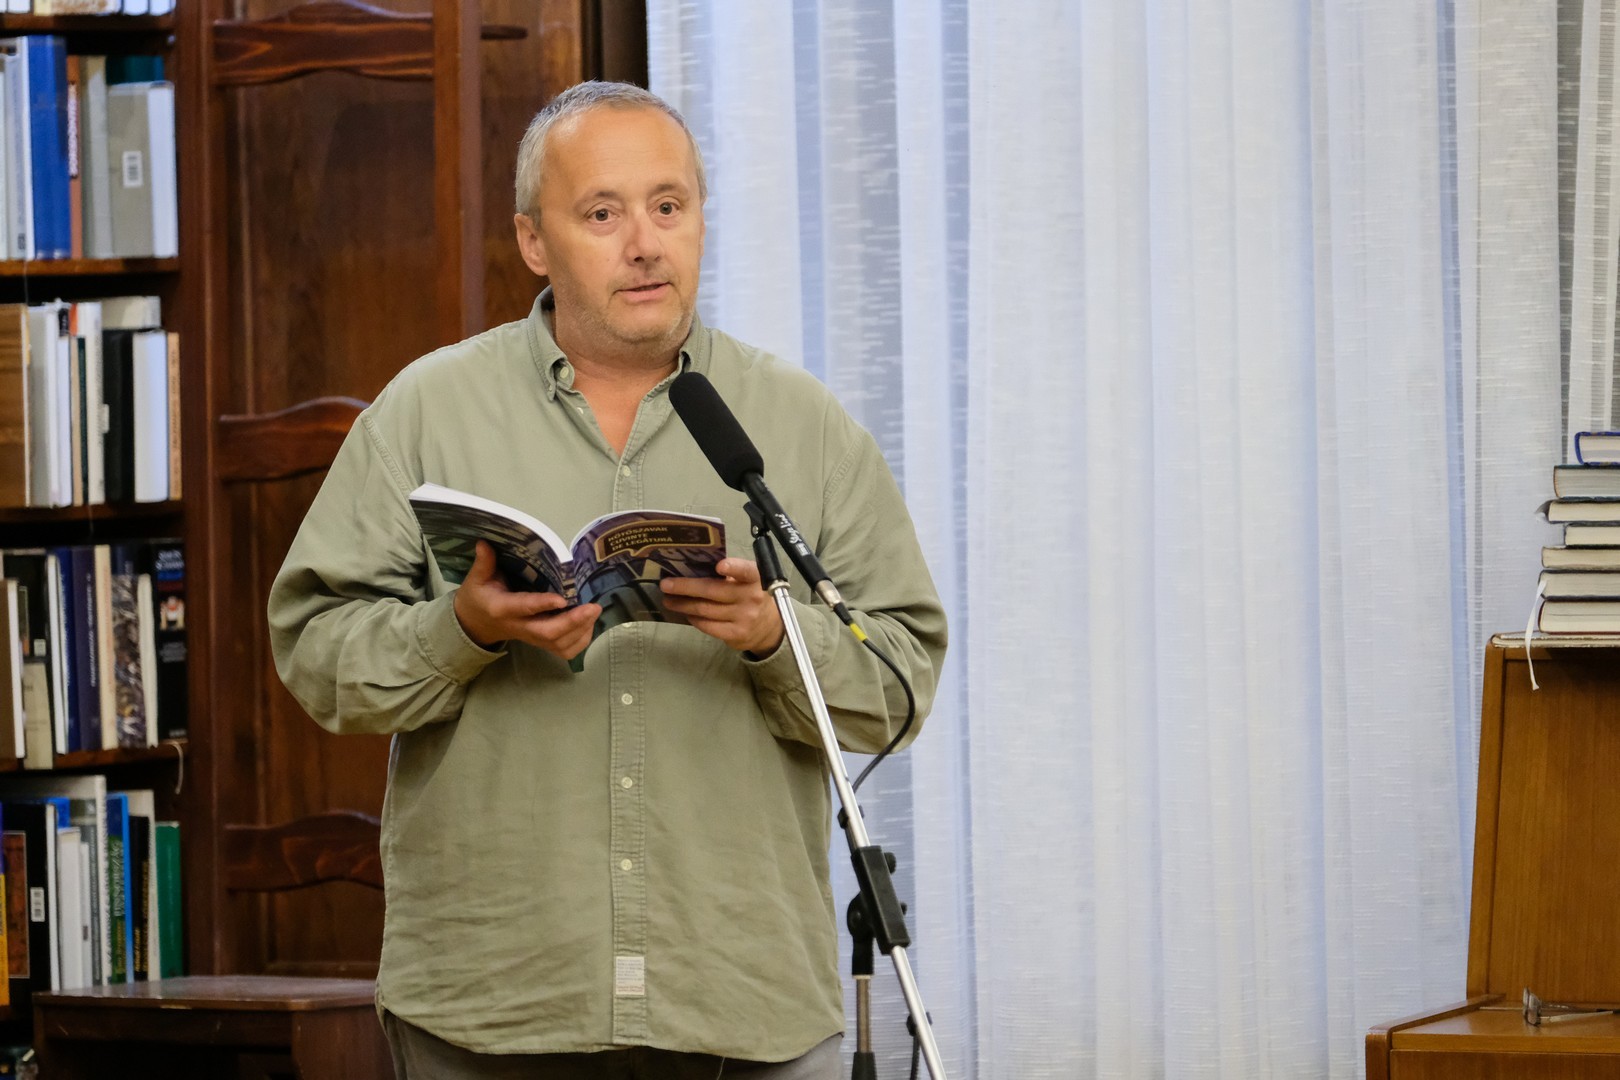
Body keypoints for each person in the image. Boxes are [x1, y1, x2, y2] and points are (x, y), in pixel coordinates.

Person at [268, 81, 947, 1079]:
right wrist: (466, 629)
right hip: (496, 1001)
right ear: (533, 241)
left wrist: (772, 634)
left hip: (740, 996)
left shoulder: (801, 424)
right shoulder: (426, 412)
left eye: (669, 206)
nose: (645, 244)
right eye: (602, 213)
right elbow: (316, 654)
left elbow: (901, 681)